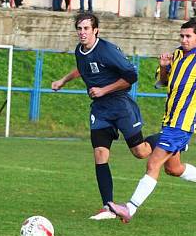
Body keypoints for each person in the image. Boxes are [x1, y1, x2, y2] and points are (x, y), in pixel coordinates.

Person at [107, 19, 196, 223]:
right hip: (170, 121)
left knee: (153, 163)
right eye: (182, 36)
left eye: (188, 36)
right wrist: (164, 67)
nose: (184, 40)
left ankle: (129, 208)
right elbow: (162, 82)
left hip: (183, 124)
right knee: (173, 169)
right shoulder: (175, 55)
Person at [51, 13, 157, 221]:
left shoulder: (107, 50)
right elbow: (82, 68)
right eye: (79, 29)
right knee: (100, 154)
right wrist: (63, 80)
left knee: (140, 152)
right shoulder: (80, 51)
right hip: (100, 110)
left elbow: (131, 77)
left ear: (95, 30)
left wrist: (104, 90)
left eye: (86, 29)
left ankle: (167, 140)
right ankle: (108, 206)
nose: (82, 33)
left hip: (120, 105)